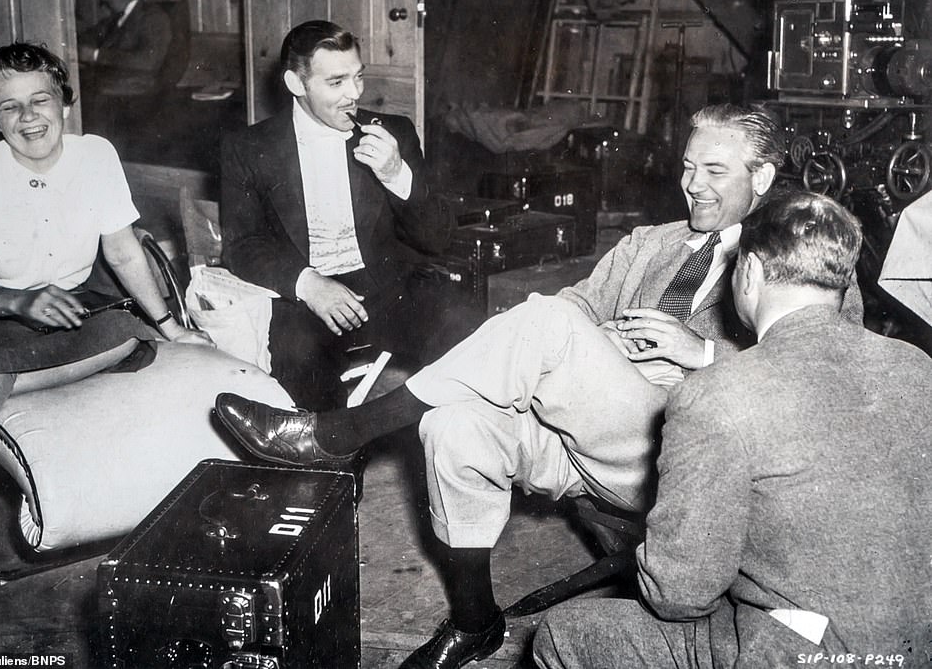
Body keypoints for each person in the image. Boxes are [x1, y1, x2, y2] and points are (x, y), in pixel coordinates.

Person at [215, 104, 864, 669]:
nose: (692, 184)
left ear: (763, 178)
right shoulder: (651, 243)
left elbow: (824, 372)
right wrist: (593, 342)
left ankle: (342, 432)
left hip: (678, 456)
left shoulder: (798, 260)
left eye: (714, 171)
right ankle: (474, 619)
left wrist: (704, 352)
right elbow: (575, 305)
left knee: (546, 323)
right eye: (689, 167)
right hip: (582, 434)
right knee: (453, 424)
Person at [533, 190, 932, 668]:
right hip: (918, 644)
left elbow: (678, 595)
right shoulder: (917, 366)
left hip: (811, 654)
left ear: (750, 271)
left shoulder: (717, 393)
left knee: (562, 633)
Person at [0, 42, 209, 480]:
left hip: (74, 313)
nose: (28, 117)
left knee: (133, 337)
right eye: (10, 107)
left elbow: (122, 250)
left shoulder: (96, 155)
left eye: (40, 100)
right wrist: (16, 302)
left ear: (63, 104)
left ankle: (6, 382)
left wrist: (170, 325)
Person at [219, 19, 476, 410]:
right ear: (295, 84)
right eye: (336, 82)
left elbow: (437, 238)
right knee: (299, 360)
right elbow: (241, 245)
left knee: (465, 327)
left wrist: (396, 175)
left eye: (358, 77)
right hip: (304, 299)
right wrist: (308, 284)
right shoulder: (248, 147)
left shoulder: (395, 132)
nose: (354, 94)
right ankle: (334, 446)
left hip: (388, 288)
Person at [77, 0, 171, 96]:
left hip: (136, 92)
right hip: (110, 87)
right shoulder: (114, 19)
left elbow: (148, 61)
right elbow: (89, 35)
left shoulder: (152, 16)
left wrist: (96, 55)